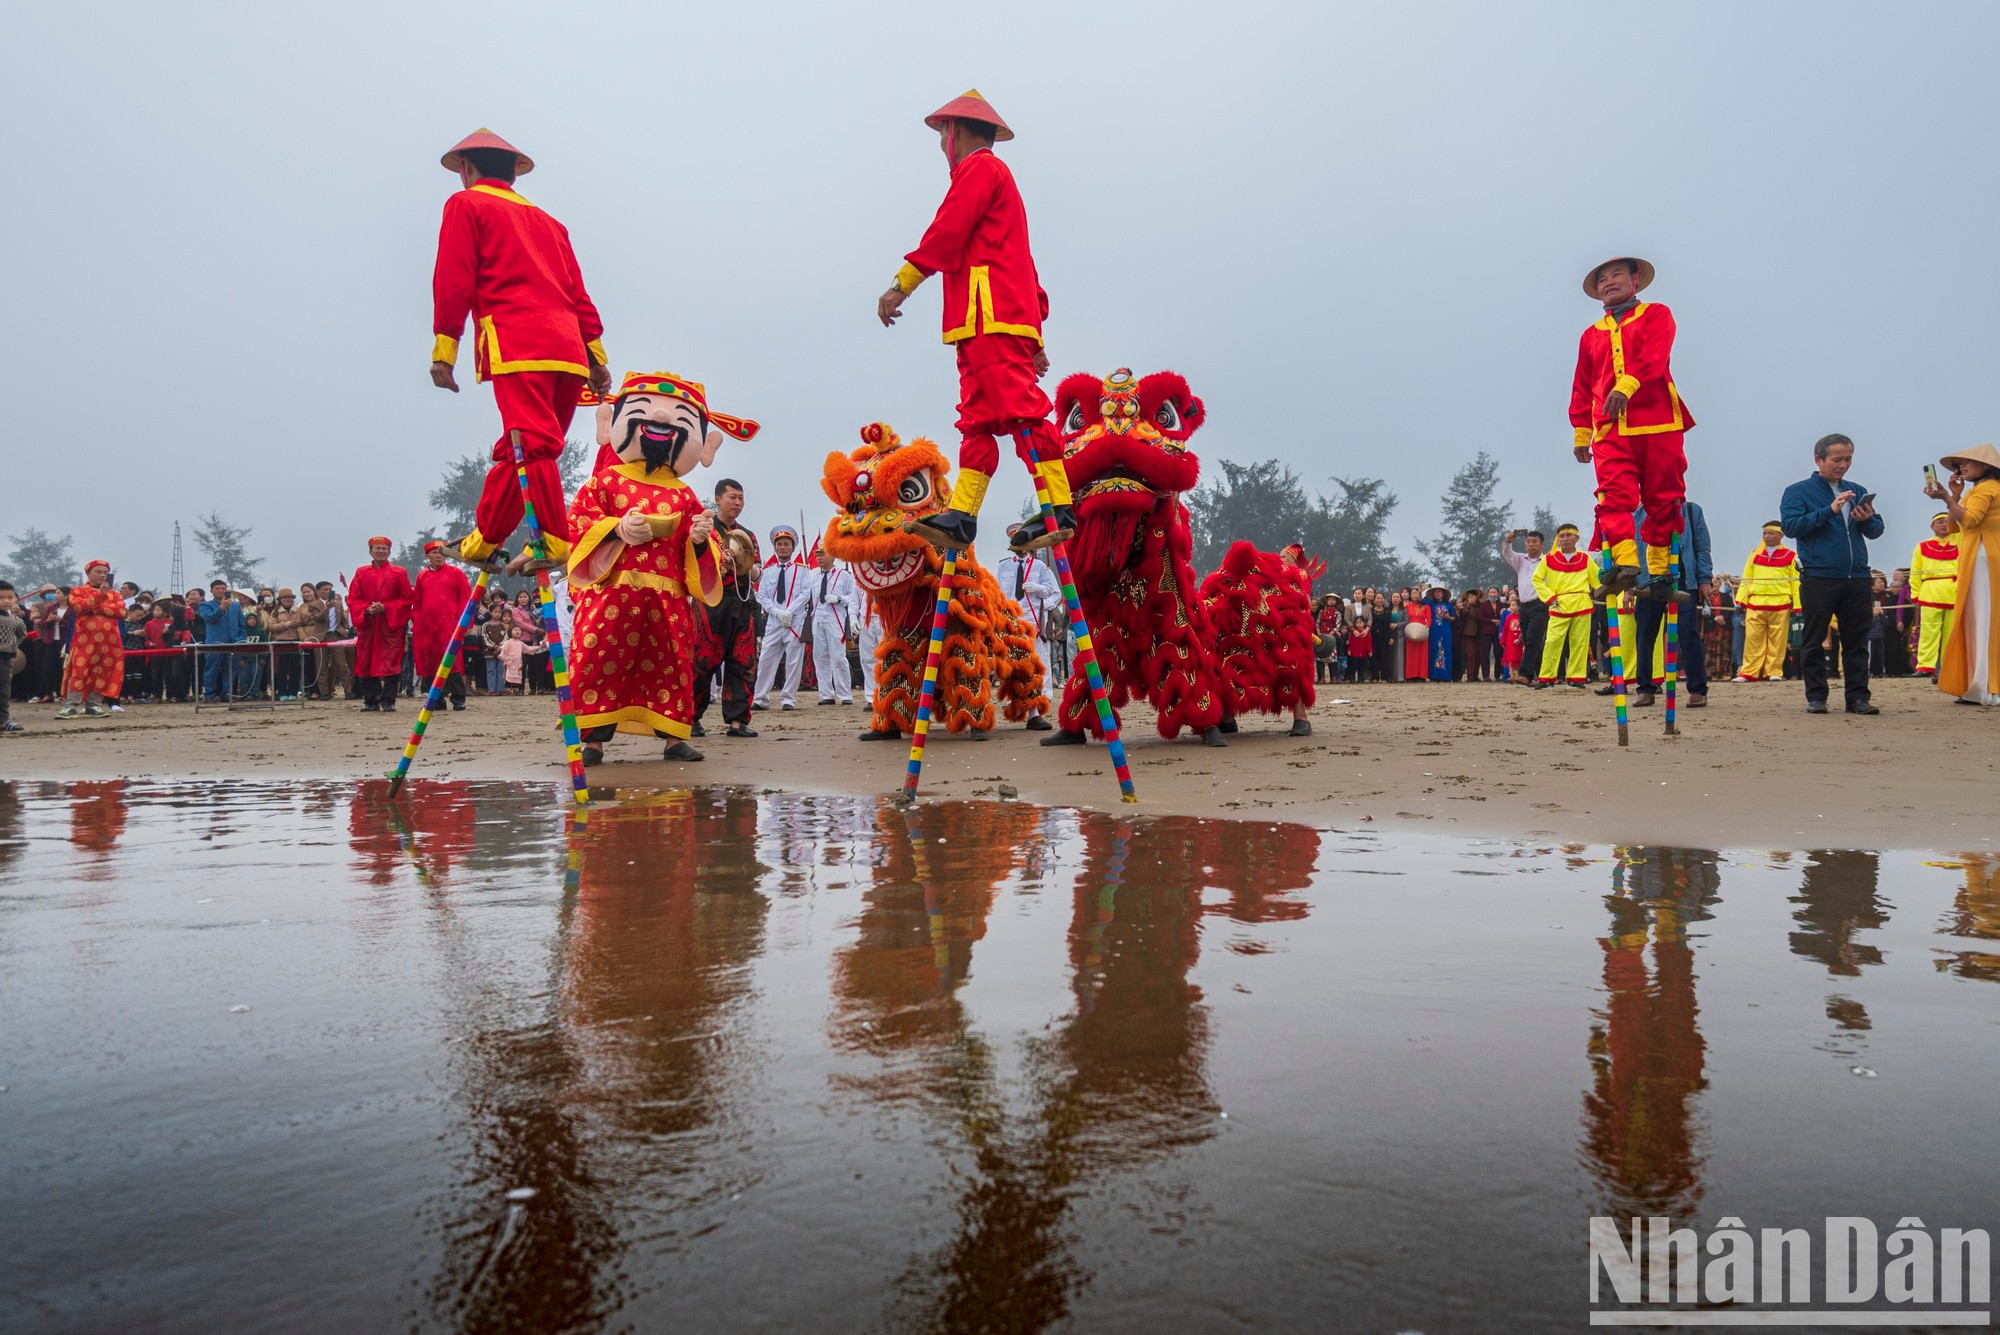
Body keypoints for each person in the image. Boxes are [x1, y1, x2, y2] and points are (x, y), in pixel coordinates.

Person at [877, 91, 1066, 554]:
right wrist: (1035, 335)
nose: (942, 145)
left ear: (954, 131)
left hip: (988, 315)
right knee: (978, 422)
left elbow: (947, 231)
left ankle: (1058, 505)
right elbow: (1024, 265)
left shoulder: (980, 169)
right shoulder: (997, 178)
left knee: (1022, 411)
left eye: (942, 134)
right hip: (984, 320)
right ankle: (962, 515)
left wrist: (901, 284)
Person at [429, 129, 609, 567]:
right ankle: (484, 540)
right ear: (513, 173)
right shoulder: (551, 223)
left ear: (466, 169)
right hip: (568, 350)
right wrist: (597, 357)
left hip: (517, 342)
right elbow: (578, 293)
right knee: (524, 448)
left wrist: (444, 348)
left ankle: (555, 539)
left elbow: (453, 278)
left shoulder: (466, 203)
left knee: (532, 445)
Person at [564, 370, 752, 763]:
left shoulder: (684, 494)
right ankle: (593, 741)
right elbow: (577, 523)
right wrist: (615, 528)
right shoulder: (606, 481)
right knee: (601, 661)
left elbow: (703, 549)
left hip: (667, 600)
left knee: (671, 666)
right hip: (612, 594)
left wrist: (699, 538)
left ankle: (673, 738)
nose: (663, 420)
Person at [1570, 256, 1694, 600]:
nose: (1609, 282)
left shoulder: (1657, 314)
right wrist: (1581, 431)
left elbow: (1654, 356)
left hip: (1658, 422)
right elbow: (1582, 386)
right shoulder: (1590, 335)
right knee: (1612, 495)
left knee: (1663, 498)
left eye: (1616, 275)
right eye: (1602, 280)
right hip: (1609, 429)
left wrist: (1627, 386)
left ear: (1634, 279)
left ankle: (1661, 573)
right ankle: (1624, 563)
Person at [1781, 433, 1885, 715]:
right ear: (1819, 459)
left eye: (1848, 459)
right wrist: (1829, 510)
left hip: (1857, 577)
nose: (1843, 465)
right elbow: (1791, 527)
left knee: (1856, 641)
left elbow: (1876, 531)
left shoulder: (1857, 489)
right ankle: (1816, 697)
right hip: (1819, 576)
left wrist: (1868, 520)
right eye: (1837, 459)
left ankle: (1858, 698)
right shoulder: (1798, 492)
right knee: (1814, 639)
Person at [1926, 443, 2000, 706]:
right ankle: (1979, 683)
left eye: (1967, 462)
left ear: (1986, 466)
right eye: (1960, 464)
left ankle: (1985, 686)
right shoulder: (1977, 489)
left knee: (1983, 619)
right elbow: (1954, 526)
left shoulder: (1988, 488)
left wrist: (1947, 499)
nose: (1961, 467)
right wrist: (1955, 496)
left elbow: (1969, 520)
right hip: (1978, 557)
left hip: (1984, 558)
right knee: (1979, 618)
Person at [694, 477, 761, 738]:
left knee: (743, 661)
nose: (738, 503)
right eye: (732, 497)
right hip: (710, 602)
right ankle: (691, 719)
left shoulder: (748, 535)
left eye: (741, 498)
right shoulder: (706, 531)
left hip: (741, 603)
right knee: (701, 661)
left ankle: (737, 721)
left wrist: (750, 567)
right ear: (718, 499)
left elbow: (758, 572)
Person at [1629, 500, 1713, 707]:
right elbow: (1631, 550)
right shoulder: (1639, 514)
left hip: (1683, 578)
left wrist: (1704, 579)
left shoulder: (1691, 511)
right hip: (1649, 578)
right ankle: (1645, 688)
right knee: (1645, 633)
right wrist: (1629, 585)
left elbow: (1702, 548)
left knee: (1687, 632)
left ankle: (1697, 689)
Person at [995, 526, 1063, 724]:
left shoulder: (1040, 566)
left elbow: (1051, 591)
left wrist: (1038, 590)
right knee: (1012, 663)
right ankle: (1014, 698)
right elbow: (998, 593)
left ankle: (1040, 697)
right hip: (1011, 622)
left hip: (1033, 621)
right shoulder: (1004, 566)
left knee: (1037, 663)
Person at [348, 536, 414, 712]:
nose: (381, 551)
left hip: (390, 625)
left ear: (389, 552)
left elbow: (407, 599)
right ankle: (371, 700)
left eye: (384, 549)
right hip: (368, 625)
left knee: (391, 662)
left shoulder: (399, 572)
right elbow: (353, 598)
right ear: (370, 551)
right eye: (377, 548)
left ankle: (388, 700)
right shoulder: (361, 572)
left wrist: (386, 607)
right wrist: (366, 609)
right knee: (366, 661)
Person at [409, 540, 474, 710]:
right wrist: (418, 621)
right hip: (428, 628)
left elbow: (466, 599)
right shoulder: (422, 576)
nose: (438, 556)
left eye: (441, 552)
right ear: (427, 556)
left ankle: (458, 698)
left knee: (452, 661)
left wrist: (463, 623)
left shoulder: (456, 573)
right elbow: (417, 602)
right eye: (434, 553)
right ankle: (436, 700)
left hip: (449, 626)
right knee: (431, 663)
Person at [57, 560, 125, 718]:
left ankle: (94, 705)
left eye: (105, 573)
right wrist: (100, 597)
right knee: (79, 671)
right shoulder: (78, 591)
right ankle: (71, 705)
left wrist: (94, 606)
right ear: (88, 573)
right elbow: (79, 607)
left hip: (110, 642)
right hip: (84, 641)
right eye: (98, 572)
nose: (102, 575)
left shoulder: (115, 594)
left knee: (102, 672)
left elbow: (120, 612)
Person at [753, 525, 810, 710]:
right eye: (779, 544)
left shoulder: (802, 570)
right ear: (774, 547)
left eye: (786, 544)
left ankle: (788, 699)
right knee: (766, 659)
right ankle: (761, 698)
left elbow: (805, 593)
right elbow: (763, 596)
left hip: (795, 621)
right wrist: (778, 613)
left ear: (792, 548)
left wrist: (789, 612)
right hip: (774, 621)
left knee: (794, 661)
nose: (782, 547)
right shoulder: (768, 571)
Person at [1733, 522, 1799, 682]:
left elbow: (1796, 583)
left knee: (1778, 641)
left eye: (1770, 533)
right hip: (1756, 603)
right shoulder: (1754, 554)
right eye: (1764, 533)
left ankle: (1774, 671)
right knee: (1752, 640)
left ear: (1781, 535)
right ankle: (1749, 672)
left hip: (1780, 604)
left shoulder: (1791, 556)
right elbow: (1747, 578)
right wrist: (1740, 601)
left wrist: (1798, 606)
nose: (1766, 536)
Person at [1533, 524, 1593, 688]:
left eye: (1568, 535)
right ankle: (1546, 677)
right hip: (1558, 604)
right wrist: (1549, 597)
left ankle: (1577, 677)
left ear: (1576, 538)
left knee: (1580, 642)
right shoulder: (1549, 558)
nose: (1565, 539)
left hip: (1581, 603)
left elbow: (1598, 581)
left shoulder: (1585, 558)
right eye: (1562, 536)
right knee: (1552, 641)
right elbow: (1537, 579)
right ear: (1558, 539)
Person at [806, 541, 859, 706]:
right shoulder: (815, 577)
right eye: (817, 554)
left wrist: (839, 599)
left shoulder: (844, 576)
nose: (819, 557)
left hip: (835, 619)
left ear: (833, 555)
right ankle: (826, 694)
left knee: (838, 657)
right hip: (818, 619)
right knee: (820, 657)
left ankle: (845, 694)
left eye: (823, 554)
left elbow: (854, 597)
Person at [1909, 511, 1961, 678]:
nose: (1944, 524)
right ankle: (1925, 666)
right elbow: (1915, 572)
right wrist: (1916, 594)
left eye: (1946, 521)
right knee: (1928, 631)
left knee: (1952, 633)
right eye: (1940, 521)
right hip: (1930, 593)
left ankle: (1949, 667)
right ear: (1932, 526)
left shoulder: (1960, 542)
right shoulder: (1922, 546)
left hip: (1954, 592)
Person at [194, 580, 245, 702]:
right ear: (211, 591)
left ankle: (226, 693)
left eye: (223, 588)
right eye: (217, 588)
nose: (221, 590)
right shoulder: (205, 605)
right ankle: (209, 695)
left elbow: (242, 625)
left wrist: (241, 639)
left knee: (231, 670)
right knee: (212, 669)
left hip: (234, 642)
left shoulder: (236, 606)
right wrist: (222, 608)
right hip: (215, 642)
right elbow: (209, 618)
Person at [0, 582, 25, 733]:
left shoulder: (16, 621)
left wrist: (12, 646)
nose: (6, 601)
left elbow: (22, 635)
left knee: (4, 691)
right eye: (1, 597)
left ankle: (3, 721)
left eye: (10, 597)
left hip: (6, 659)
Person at [1425, 587, 1456, 681]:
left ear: (1443, 593)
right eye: (1435, 592)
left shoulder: (1449, 605)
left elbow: (1453, 618)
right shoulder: (1431, 603)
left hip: (1446, 631)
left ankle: (1445, 676)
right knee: (1434, 651)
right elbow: (1420, 601)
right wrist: (1420, 591)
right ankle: (1434, 676)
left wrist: (1447, 617)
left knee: (1445, 651)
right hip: (1434, 630)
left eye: (1439, 592)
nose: (1437, 593)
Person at [1401, 590, 1430, 683]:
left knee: (1422, 655)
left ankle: (1421, 676)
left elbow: (1429, 620)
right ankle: (1410, 675)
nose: (1415, 595)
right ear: (1410, 595)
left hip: (1422, 633)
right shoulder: (1407, 607)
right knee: (1411, 655)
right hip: (1411, 633)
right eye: (1413, 593)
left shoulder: (1426, 607)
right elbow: (1405, 619)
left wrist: (1424, 627)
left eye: (1416, 593)